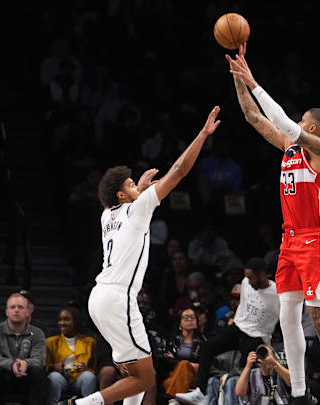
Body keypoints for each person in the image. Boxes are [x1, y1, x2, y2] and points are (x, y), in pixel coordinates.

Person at [60, 106, 221, 405]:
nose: (138, 185)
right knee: (146, 379)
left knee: (134, 371)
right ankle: (79, 404)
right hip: (118, 297)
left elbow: (118, 202)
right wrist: (202, 134)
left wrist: (138, 190)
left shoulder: (107, 214)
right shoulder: (138, 208)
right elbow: (179, 171)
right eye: (131, 184)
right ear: (122, 195)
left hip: (100, 297)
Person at [227, 43, 320, 404]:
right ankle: (299, 392)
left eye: (300, 119)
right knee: (287, 317)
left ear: (311, 126)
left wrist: (255, 81)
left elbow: (282, 122)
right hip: (290, 241)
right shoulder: (289, 148)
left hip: (317, 240)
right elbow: (252, 116)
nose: (294, 121)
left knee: (319, 318)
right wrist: (239, 79)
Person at [176, 257, 279, 405]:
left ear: (262, 274)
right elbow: (243, 306)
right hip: (238, 328)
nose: (248, 281)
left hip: (258, 335)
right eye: (247, 277)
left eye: (251, 277)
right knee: (208, 347)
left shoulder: (277, 294)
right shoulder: (245, 283)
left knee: (242, 368)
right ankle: (200, 392)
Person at [0, 293, 47, 405]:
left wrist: (26, 363)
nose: (16, 310)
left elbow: (39, 359)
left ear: (28, 311)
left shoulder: (37, 333)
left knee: (37, 371)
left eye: (20, 307)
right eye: (13, 307)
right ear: (7, 311)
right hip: (3, 378)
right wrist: (12, 365)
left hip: (26, 378)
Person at [46, 305, 98, 405]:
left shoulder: (89, 342)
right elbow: (45, 366)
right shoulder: (50, 342)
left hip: (80, 379)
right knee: (53, 377)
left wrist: (85, 368)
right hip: (62, 380)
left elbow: (94, 367)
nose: (62, 323)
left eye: (66, 320)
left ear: (76, 322)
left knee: (89, 376)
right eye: (60, 320)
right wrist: (53, 367)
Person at [160, 307, 206, 397]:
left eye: (192, 317)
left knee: (170, 381)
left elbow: (203, 363)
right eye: (186, 318)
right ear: (180, 323)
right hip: (174, 374)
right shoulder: (172, 340)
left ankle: (174, 398)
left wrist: (177, 361)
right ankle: (177, 398)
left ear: (197, 322)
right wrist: (187, 364)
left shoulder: (203, 342)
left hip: (194, 376)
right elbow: (166, 359)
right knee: (183, 365)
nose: (189, 320)